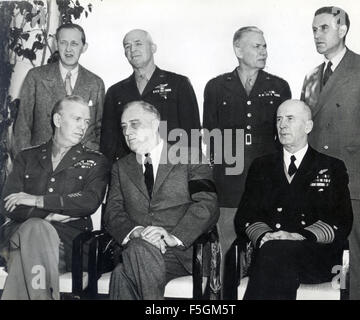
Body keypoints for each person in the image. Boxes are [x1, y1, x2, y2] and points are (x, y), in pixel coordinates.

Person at [235, 100, 353, 300]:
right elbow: (245, 216)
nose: (282, 125)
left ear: (308, 126)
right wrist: (265, 236)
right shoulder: (261, 166)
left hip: (314, 256)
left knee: (275, 256)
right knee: (275, 254)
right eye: (279, 119)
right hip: (269, 251)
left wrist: (297, 236)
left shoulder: (331, 166)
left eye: (290, 119)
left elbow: (342, 221)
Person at [300, 6, 360, 300]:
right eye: (314, 30)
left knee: (354, 253)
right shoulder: (311, 76)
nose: (317, 35)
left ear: (342, 29)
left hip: (353, 180)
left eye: (323, 28)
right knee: (318, 250)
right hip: (316, 181)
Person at [104, 100, 218, 300]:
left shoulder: (190, 156)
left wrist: (172, 237)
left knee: (122, 275)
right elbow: (112, 213)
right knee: (136, 252)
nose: (127, 132)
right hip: (138, 249)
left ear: (156, 124)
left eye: (135, 124)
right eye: (123, 127)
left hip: (180, 254)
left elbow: (207, 203)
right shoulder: (121, 167)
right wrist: (137, 232)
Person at [0, 95, 109, 300]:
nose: (83, 127)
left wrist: (37, 200)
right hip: (19, 236)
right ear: (58, 120)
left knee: (26, 249)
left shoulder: (96, 161)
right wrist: (49, 216)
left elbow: (88, 202)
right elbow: (8, 204)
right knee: (36, 228)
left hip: (67, 244)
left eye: (86, 122)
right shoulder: (27, 157)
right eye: (77, 119)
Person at [202, 26, 291, 275]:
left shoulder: (279, 86)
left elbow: (283, 137)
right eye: (256, 46)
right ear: (238, 49)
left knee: (266, 248)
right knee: (227, 249)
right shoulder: (216, 87)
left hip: (267, 182)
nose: (263, 51)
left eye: (265, 46)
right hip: (228, 182)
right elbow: (211, 136)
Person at [100, 29, 200, 163]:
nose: (132, 49)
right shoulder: (115, 92)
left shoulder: (178, 84)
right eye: (127, 46)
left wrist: (192, 175)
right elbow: (108, 141)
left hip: (170, 167)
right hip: (129, 172)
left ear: (153, 48)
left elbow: (192, 132)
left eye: (138, 44)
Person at [13, 23, 105, 155]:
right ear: (56, 44)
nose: (68, 49)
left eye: (74, 44)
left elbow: (99, 129)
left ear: (84, 47)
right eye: (63, 43)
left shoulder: (96, 83)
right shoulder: (36, 77)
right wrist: (25, 165)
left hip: (81, 165)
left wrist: (92, 161)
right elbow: (22, 126)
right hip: (42, 162)